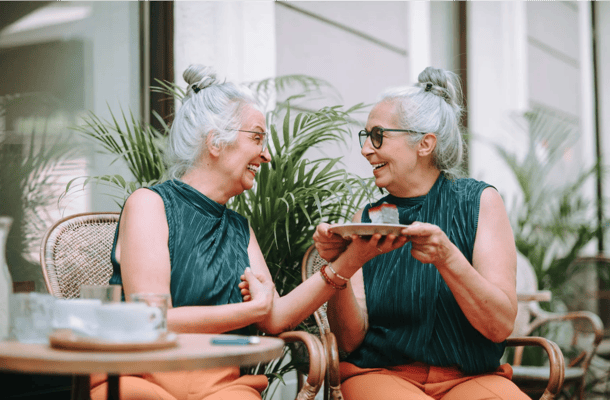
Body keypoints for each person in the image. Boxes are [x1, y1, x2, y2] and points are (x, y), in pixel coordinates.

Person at [90, 64, 405, 400]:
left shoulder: (240, 229)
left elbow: (276, 317)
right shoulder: (149, 205)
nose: (267, 155)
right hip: (141, 379)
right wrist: (248, 311)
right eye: (256, 138)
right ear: (215, 142)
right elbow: (153, 318)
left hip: (221, 388)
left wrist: (351, 259)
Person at [311, 66, 529, 400]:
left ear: (424, 144)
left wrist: (448, 259)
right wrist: (342, 264)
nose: (366, 149)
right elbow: (350, 341)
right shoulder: (366, 219)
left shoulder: (480, 203)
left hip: (470, 378)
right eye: (365, 136)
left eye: (378, 136)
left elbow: (500, 326)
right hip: (382, 374)